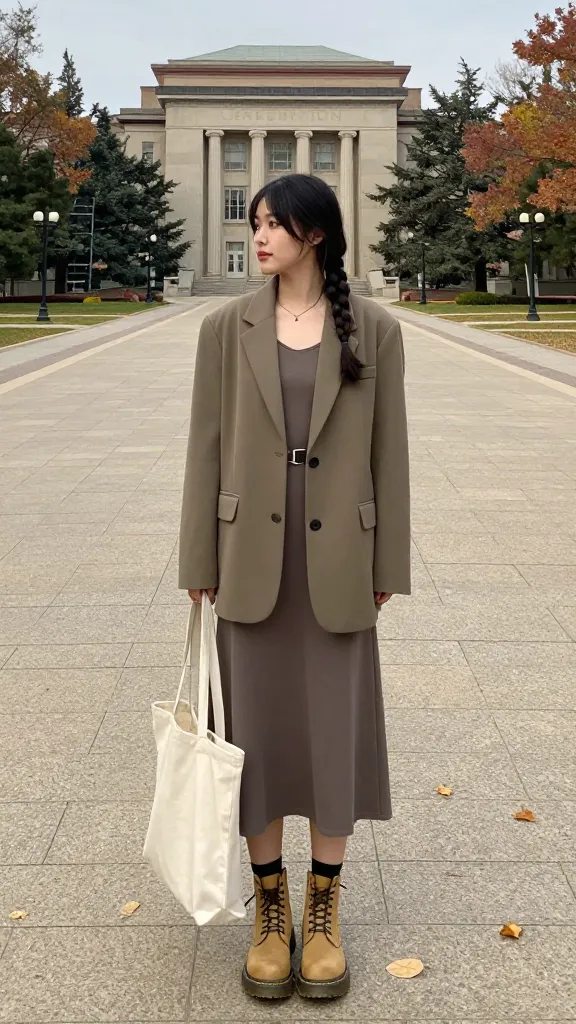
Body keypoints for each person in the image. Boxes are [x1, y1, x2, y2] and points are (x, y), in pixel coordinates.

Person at [178, 173, 411, 1001]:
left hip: (341, 567)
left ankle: (324, 911)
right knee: (262, 741)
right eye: (258, 224)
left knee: (333, 738)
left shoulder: (374, 329)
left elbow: (392, 454)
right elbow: (205, 447)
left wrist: (390, 566)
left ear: (315, 234)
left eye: (274, 225)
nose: (260, 237)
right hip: (249, 565)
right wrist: (197, 564)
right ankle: (269, 910)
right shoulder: (224, 327)